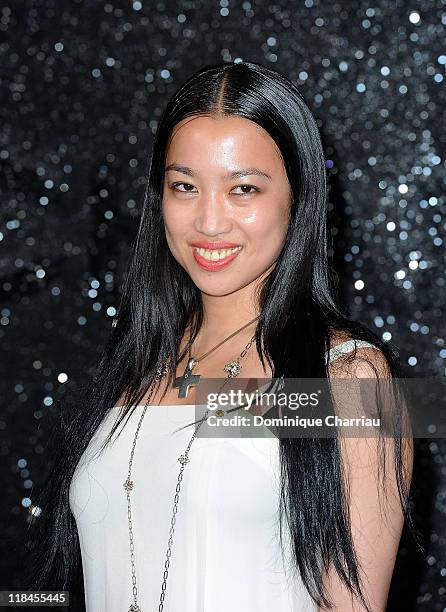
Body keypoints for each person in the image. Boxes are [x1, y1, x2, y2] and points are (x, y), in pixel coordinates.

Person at [26, 61, 418, 611]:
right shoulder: (137, 363)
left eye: (242, 189)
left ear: (297, 198)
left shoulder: (348, 377)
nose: (209, 222)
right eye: (185, 186)